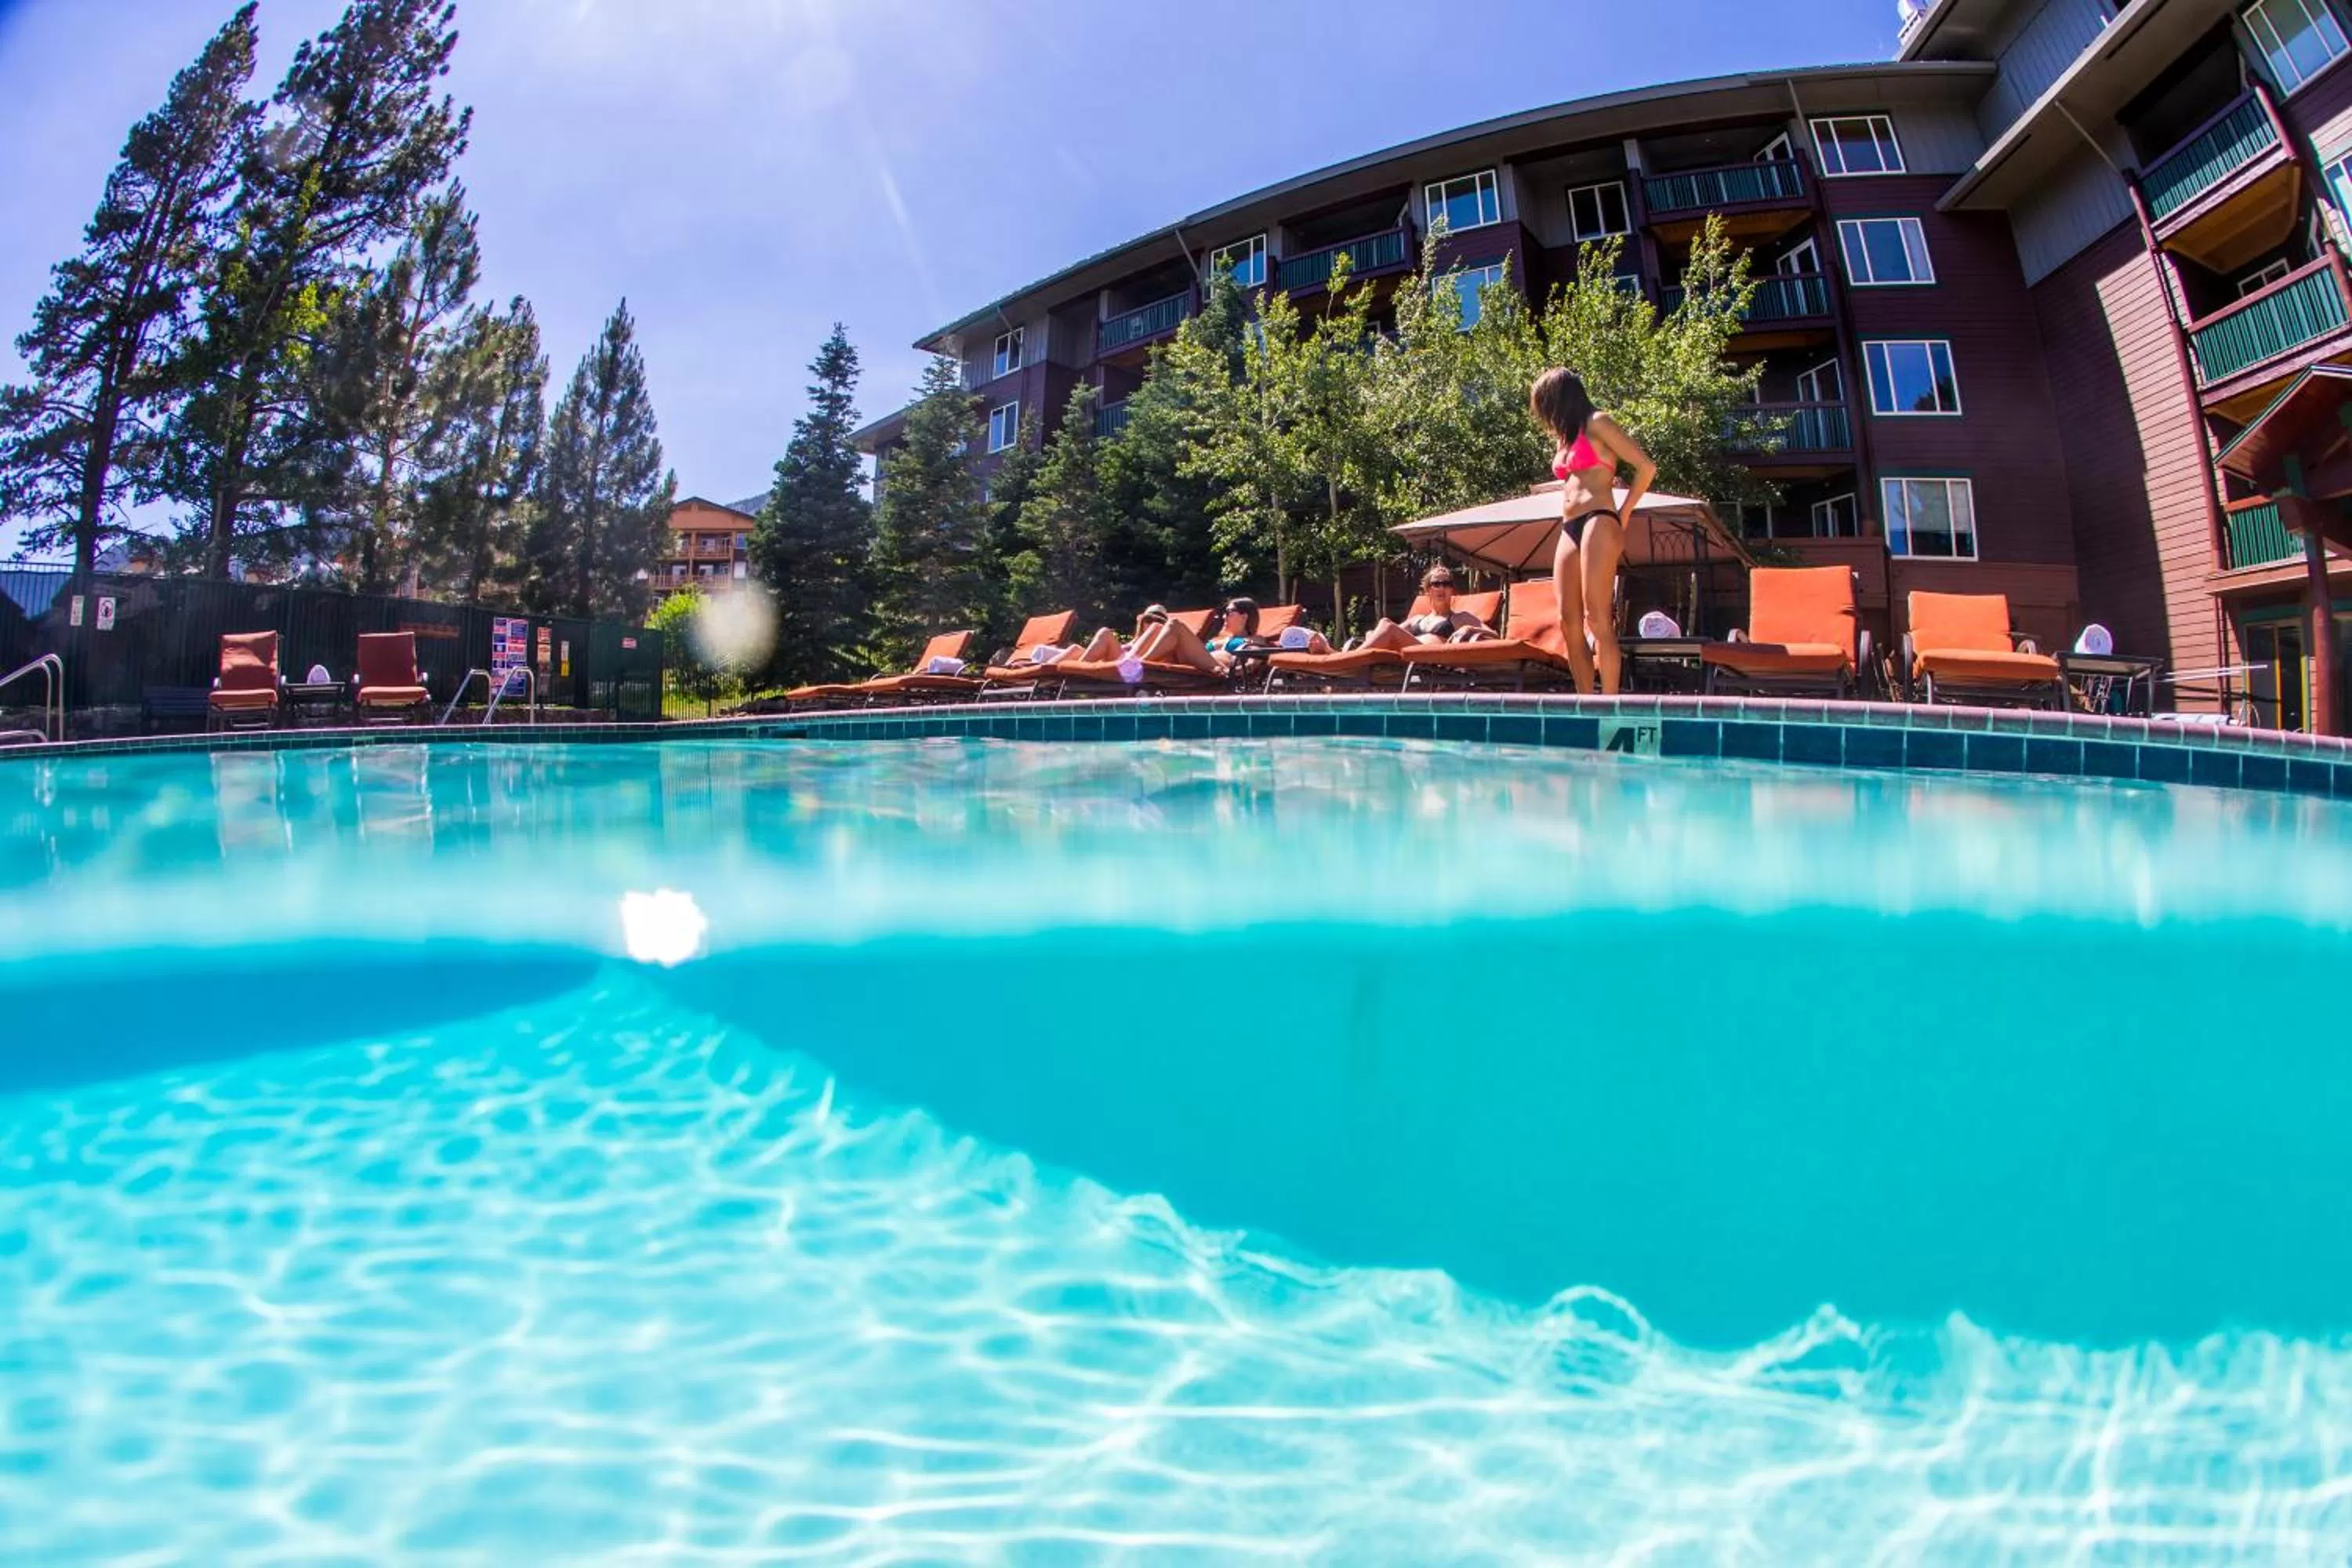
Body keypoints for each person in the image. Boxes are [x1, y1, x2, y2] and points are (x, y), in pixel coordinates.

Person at [1530, 367, 1656, 695]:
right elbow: (1575, 477)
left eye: (1545, 403)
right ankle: (1586, 703)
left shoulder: (1598, 422)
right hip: (1569, 525)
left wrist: (1623, 512)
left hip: (1600, 517)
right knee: (1567, 622)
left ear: (1561, 398)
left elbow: (1646, 467)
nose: (1544, 413)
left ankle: (1609, 704)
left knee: (1597, 619)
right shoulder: (1566, 436)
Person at [1353, 565, 1496, 652]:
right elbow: (1389, 634)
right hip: (1409, 655)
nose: (1442, 588)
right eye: (1436, 584)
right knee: (1375, 630)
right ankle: (1344, 657)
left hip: (1431, 658)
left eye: (1446, 584)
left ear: (1452, 590)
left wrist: (1470, 629)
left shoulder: (1461, 617)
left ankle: (1348, 658)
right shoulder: (1417, 620)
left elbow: (1495, 635)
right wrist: (1371, 634)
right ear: (1428, 590)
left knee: (1385, 623)